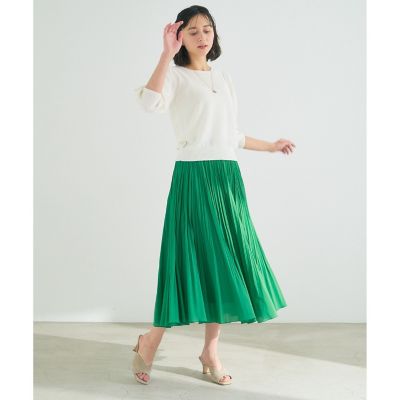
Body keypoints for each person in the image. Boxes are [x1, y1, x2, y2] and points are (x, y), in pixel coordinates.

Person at [132, 5, 295, 386]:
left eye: (207, 29)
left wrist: (270, 146)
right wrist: (165, 55)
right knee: (185, 259)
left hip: (227, 176)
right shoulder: (174, 76)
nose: (202, 36)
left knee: (224, 261)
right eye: (192, 31)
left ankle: (211, 351)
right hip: (193, 176)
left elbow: (230, 135)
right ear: (179, 37)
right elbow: (148, 103)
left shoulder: (224, 78)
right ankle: (150, 341)